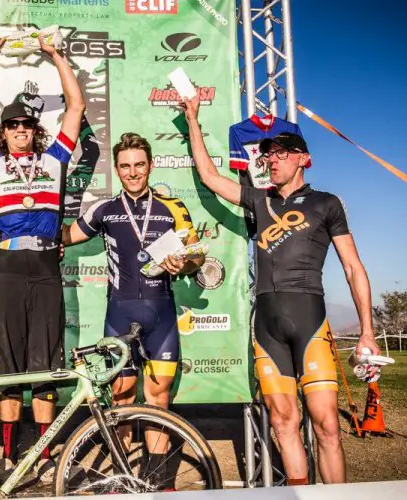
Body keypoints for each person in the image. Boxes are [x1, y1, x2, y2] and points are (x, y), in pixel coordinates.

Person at [181, 95, 380, 484]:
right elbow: (208, 175)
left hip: (310, 322)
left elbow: (354, 268)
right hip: (267, 325)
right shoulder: (258, 199)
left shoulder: (327, 203)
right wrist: (192, 119)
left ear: (304, 159)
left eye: (282, 154)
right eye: (268, 155)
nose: (271, 160)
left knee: (326, 426)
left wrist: (368, 330)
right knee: (284, 422)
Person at [0, 35, 86, 481]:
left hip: (47, 270)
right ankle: (11, 454)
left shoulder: (55, 159)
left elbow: (75, 107)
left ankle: (47, 454)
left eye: (26, 125)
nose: (19, 130)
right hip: (10, 269)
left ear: (35, 131)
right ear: (4, 131)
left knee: (46, 366)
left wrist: (56, 55)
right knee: (10, 367)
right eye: (12, 125)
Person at [62, 132, 204, 486]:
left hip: (162, 315)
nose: (133, 172)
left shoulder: (173, 207)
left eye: (139, 165)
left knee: (158, 401)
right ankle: (122, 481)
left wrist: (183, 265)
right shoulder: (105, 209)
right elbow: (67, 236)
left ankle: (158, 481)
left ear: (151, 165)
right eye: (125, 166)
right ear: (117, 169)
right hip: (120, 314)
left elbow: (197, 255)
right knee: (122, 399)